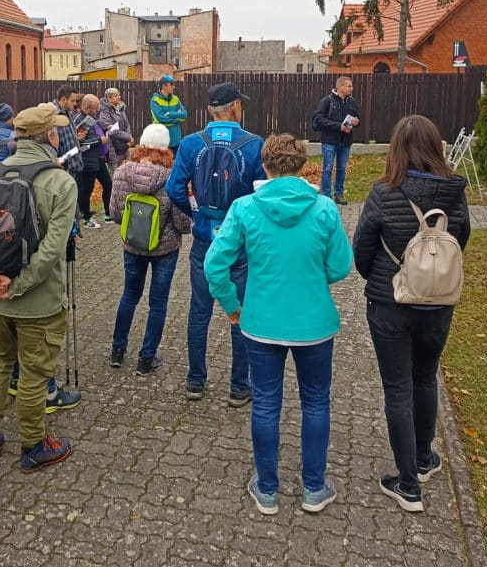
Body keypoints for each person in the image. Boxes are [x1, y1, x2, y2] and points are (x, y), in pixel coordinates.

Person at [204, 134, 353, 516]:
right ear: (303, 166)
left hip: (261, 321)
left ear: (265, 166)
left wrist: (231, 305)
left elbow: (214, 264)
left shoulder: (245, 208)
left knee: (266, 403)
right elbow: (338, 268)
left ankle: (267, 489)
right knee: (316, 401)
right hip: (314, 323)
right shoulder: (324, 208)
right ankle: (314, 488)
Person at [352, 115, 471, 513]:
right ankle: (423, 459)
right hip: (438, 303)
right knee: (425, 378)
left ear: (396, 148)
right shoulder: (456, 191)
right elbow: (461, 238)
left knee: (398, 388)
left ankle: (407, 484)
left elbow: (363, 247)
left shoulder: (384, 191)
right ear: (436, 147)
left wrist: (381, 279)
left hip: (390, 304)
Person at [0, 105, 79, 472]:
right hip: (38, 302)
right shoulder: (60, 181)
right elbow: (52, 249)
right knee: (33, 374)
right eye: (57, 131)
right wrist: (18, 285)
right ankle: (32, 446)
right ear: (49, 137)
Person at [167, 82, 265, 406]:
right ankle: (239, 387)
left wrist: (194, 213)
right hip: (239, 242)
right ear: (236, 106)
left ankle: (195, 381)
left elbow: (174, 188)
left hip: (205, 239)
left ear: (211, 109)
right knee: (240, 311)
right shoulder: (254, 145)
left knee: (199, 310)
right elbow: (262, 194)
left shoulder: (192, 143)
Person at [109, 124, 192, 375]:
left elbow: (114, 214)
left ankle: (117, 351)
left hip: (132, 244)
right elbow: (181, 223)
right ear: (166, 148)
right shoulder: (172, 175)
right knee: (158, 303)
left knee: (129, 296)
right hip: (164, 248)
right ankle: (146, 358)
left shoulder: (122, 172)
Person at [311, 76, 361, 205]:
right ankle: (326, 196)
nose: (351, 88)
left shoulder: (352, 102)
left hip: (346, 141)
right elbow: (319, 119)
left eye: (351, 86)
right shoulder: (327, 101)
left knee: (341, 169)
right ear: (340, 87)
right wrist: (338, 126)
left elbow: (357, 118)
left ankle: (339, 194)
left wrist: (356, 121)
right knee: (327, 168)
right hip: (329, 141)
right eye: (349, 86)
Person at [74, 94, 113, 228]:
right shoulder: (80, 121)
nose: (97, 111)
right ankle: (86, 218)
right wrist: (99, 141)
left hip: (98, 159)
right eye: (95, 108)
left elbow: (91, 135)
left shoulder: (91, 118)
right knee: (87, 189)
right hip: (87, 161)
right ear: (86, 107)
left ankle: (109, 213)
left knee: (108, 184)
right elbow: (81, 145)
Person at [99, 87, 134, 178]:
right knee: (113, 172)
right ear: (109, 98)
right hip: (112, 146)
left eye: (119, 95)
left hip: (122, 144)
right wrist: (128, 137)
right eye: (115, 95)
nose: (119, 97)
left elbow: (127, 125)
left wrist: (129, 137)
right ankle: (112, 191)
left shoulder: (121, 108)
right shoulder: (104, 111)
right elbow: (111, 130)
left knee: (120, 171)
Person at [150, 75, 188, 154]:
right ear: (163, 86)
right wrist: (177, 119)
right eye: (171, 84)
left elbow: (184, 114)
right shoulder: (155, 100)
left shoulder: (175, 99)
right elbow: (161, 119)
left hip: (176, 140)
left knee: (175, 165)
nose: (174, 87)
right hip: (161, 141)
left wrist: (170, 114)